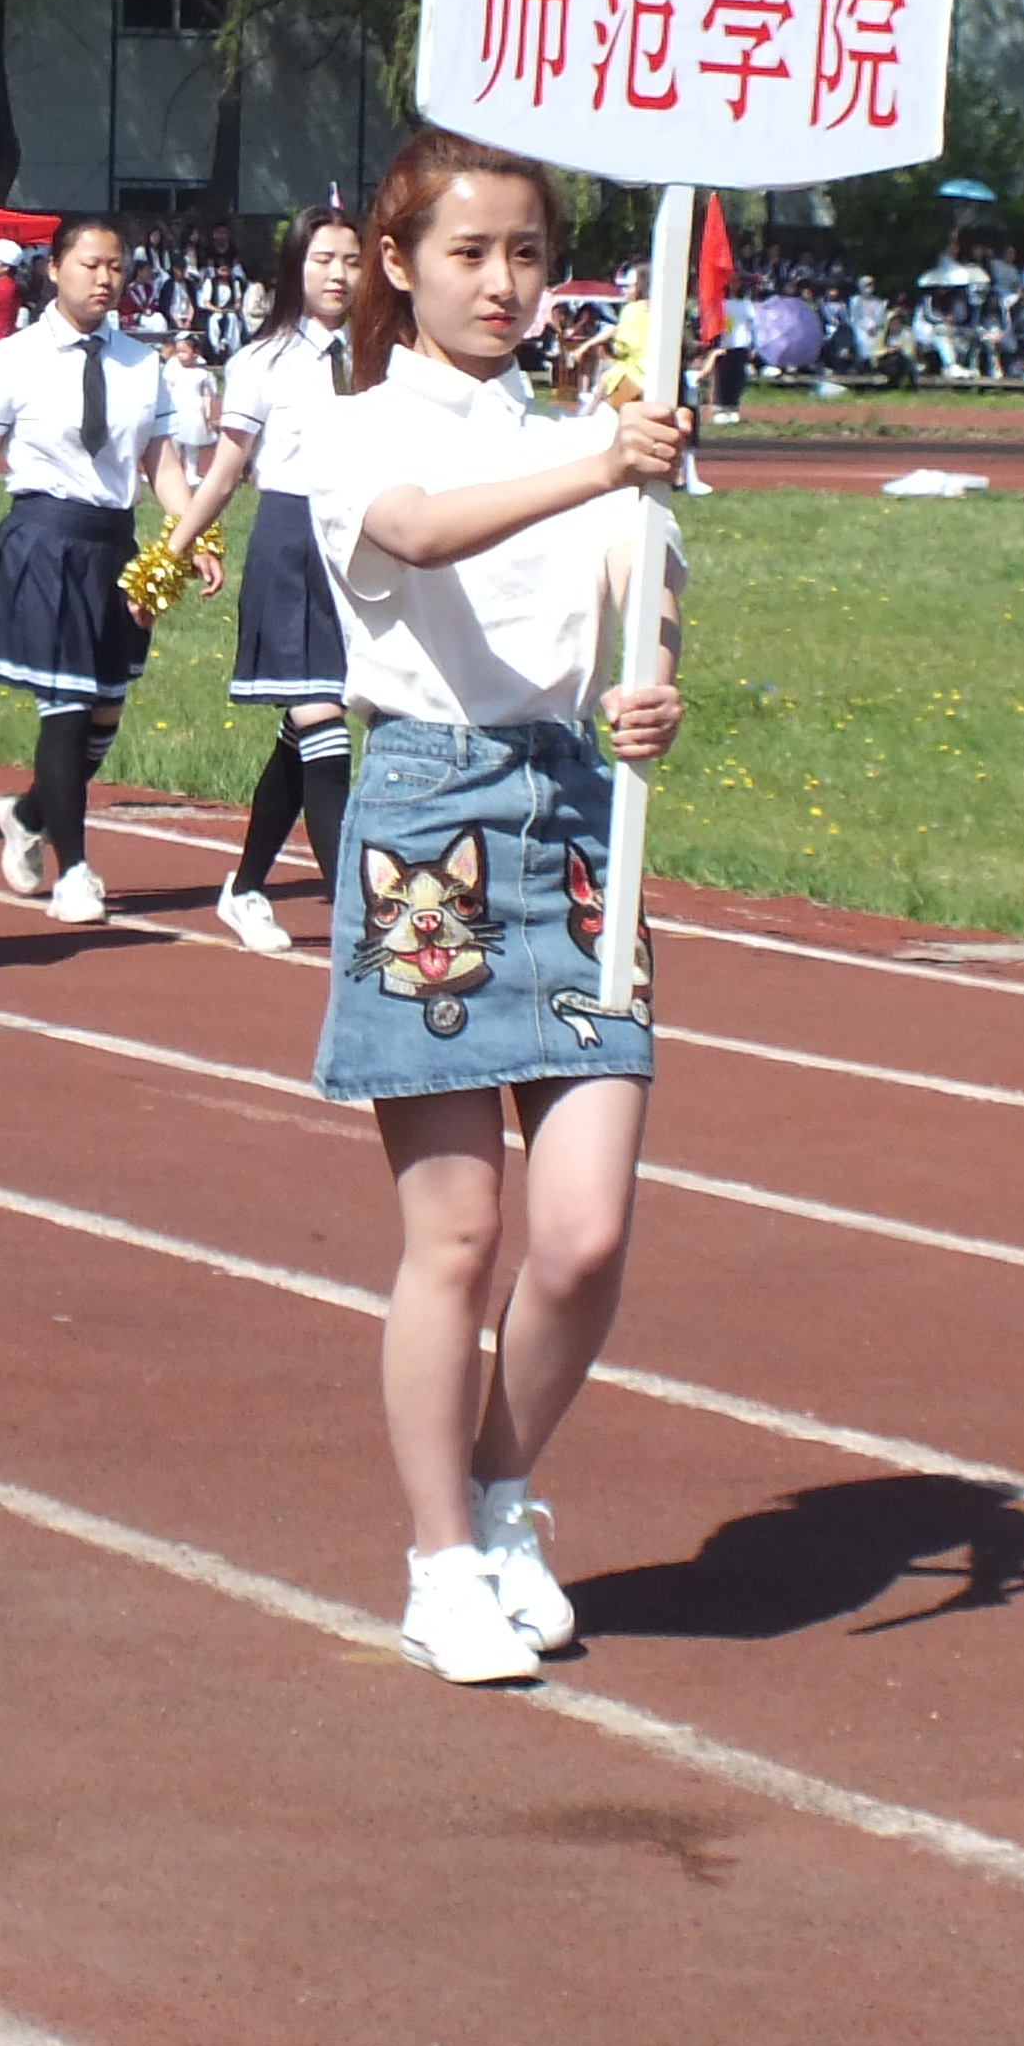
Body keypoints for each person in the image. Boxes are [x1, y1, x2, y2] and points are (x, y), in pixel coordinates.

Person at [302, 128, 689, 1686]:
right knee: (457, 1231)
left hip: (581, 829)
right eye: (469, 253)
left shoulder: (598, 433)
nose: (503, 283)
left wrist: (656, 692)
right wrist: (608, 461)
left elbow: (638, 615)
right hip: (429, 822)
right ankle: (437, 1557)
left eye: (528, 253)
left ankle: (507, 1492)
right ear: (400, 263)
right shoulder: (360, 427)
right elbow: (416, 534)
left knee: (586, 1234)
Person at [0, 210, 204, 927]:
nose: (104, 278)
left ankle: (28, 813)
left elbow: (162, 467)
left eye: (116, 266)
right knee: (63, 705)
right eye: (89, 264)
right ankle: (76, 870)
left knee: (103, 715)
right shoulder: (12, 359)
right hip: (42, 541)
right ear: (53, 269)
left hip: (112, 547)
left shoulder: (140, 362)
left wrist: (192, 533)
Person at [176, 204, 362, 955]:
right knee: (324, 722)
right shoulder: (264, 359)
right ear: (295, 267)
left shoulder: (385, 353)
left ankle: (246, 887)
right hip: (291, 541)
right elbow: (227, 469)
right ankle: (357, 915)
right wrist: (180, 543)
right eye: (323, 259)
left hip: (362, 545)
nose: (339, 274)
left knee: (309, 723)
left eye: (351, 259)